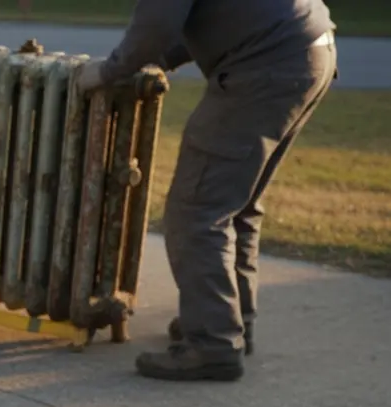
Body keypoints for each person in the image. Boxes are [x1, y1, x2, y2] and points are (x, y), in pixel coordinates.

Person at [77, 1, 338, 382]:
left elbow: (157, 23)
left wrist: (109, 70)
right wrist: (160, 59)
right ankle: (231, 321)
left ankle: (212, 344)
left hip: (266, 66)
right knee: (237, 204)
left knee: (197, 210)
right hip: (310, 52)